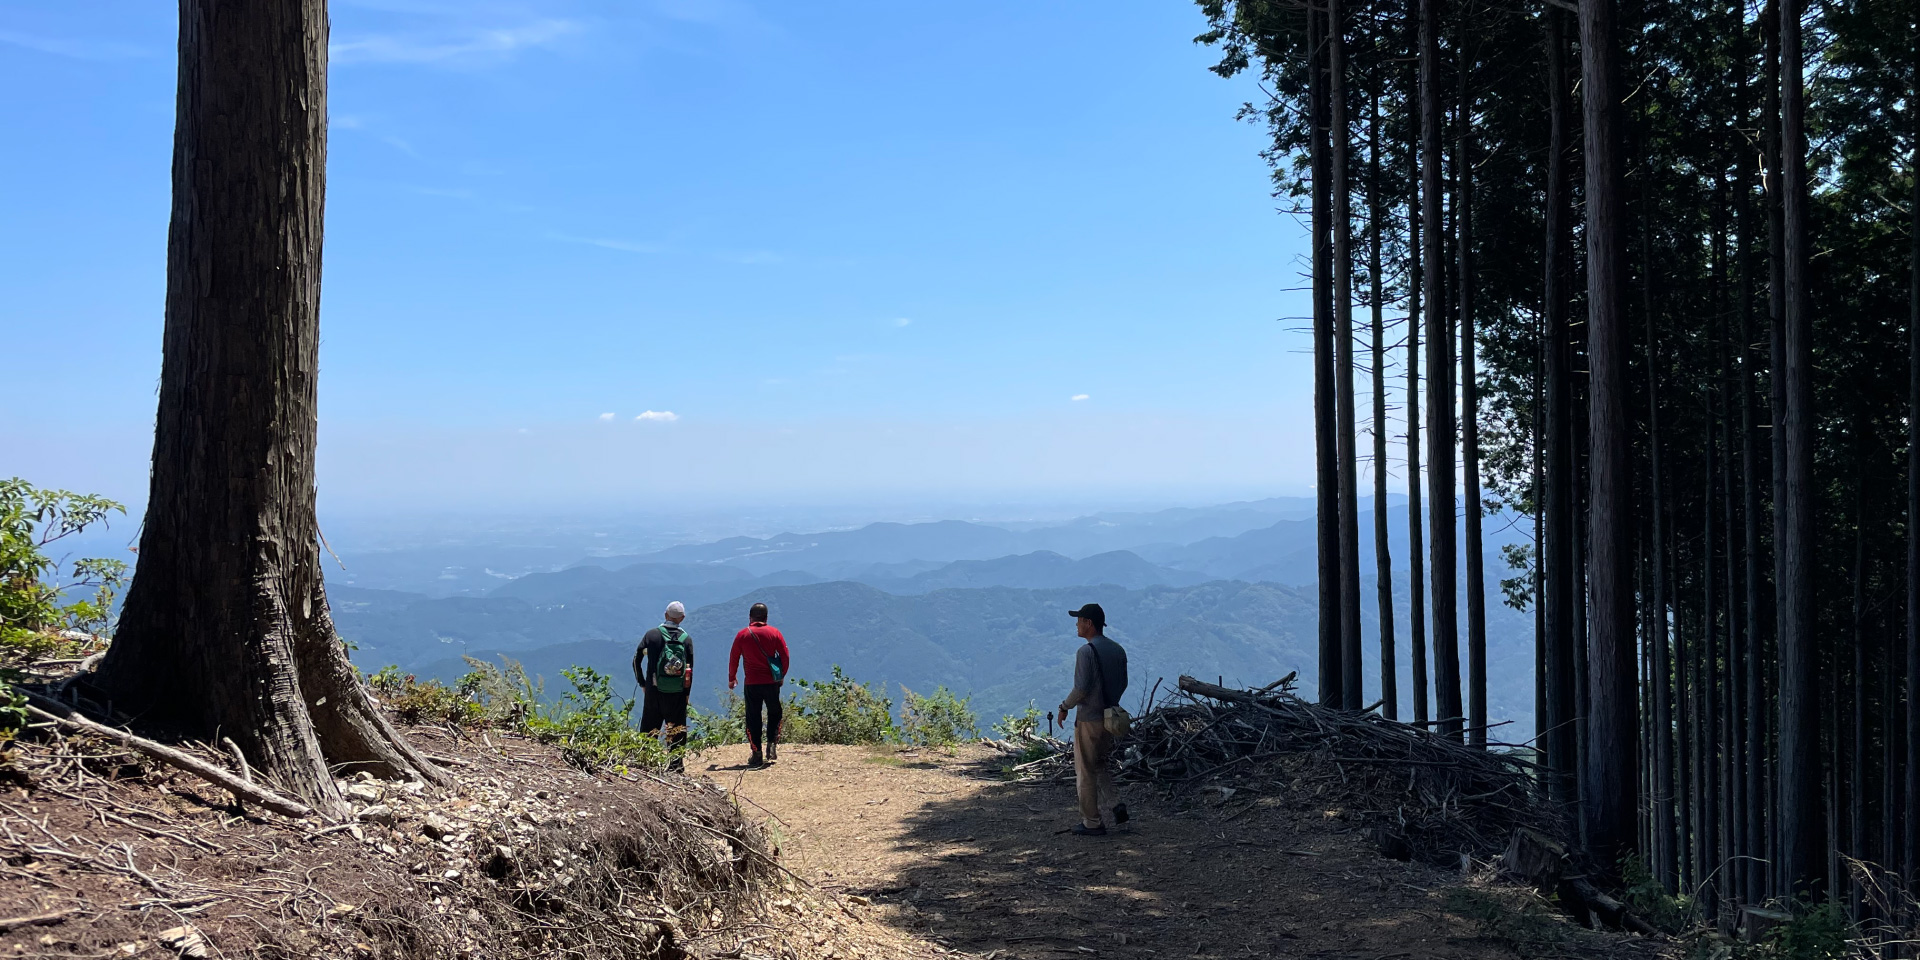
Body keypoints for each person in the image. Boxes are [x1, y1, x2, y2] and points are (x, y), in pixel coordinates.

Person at [1056, 602, 1128, 836]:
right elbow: (1123, 683)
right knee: (1100, 764)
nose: (1076, 625)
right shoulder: (1118, 650)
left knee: (1085, 769)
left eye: (1079, 621)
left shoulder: (1086, 652)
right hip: (1111, 719)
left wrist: (1064, 706)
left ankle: (1092, 822)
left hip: (1089, 719)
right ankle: (1116, 804)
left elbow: (1081, 689)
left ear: (1089, 624)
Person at [633, 601, 694, 771]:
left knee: (649, 730)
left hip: (654, 691)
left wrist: (643, 684)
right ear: (682, 618)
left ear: (665, 615)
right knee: (677, 730)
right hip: (678, 693)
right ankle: (676, 767)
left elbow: (636, 660)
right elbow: (689, 670)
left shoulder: (652, 635)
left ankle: (645, 765)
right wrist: (686, 693)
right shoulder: (686, 640)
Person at [728, 602, 789, 768]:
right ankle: (772, 744)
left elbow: (734, 657)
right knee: (775, 713)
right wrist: (781, 675)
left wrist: (732, 677)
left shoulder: (742, 635)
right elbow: (785, 657)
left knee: (753, 717)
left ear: (750, 617)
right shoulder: (775, 633)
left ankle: (756, 753)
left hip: (752, 684)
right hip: (771, 683)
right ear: (766, 618)